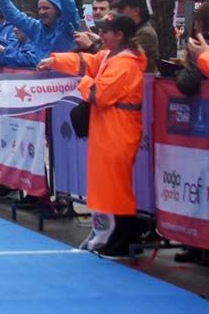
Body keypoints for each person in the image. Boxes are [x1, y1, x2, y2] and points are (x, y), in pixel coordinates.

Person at [38, 13, 146, 257]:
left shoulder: (125, 64)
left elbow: (99, 94)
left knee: (117, 187)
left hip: (119, 131)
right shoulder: (112, 56)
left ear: (119, 35)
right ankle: (118, 236)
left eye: (107, 32)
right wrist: (55, 60)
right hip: (108, 129)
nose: (102, 36)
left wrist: (84, 82)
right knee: (111, 186)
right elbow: (86, 61)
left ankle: (125, 238)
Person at [112, 0, 158, 73]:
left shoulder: (145, 33)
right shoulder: (133, 30)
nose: (119, 13)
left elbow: (122, 56)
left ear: (136, 11)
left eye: (121, 9)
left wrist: (93, 45)